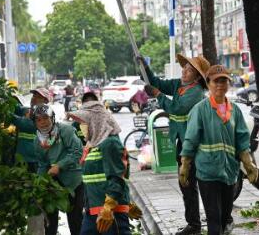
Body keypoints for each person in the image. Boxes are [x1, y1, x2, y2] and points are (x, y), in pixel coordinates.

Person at [180, 65, 258, 235]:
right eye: (216, 81)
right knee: (214, 219)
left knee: (224, 218)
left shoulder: (235, 110)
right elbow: (190, 140)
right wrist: (185, 165)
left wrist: (249, 164)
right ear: (208, 84)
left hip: (229, 172)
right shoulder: (200, 110)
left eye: (224, 81)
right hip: (207, 172)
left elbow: (242, 140)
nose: (220, 85)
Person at [137, 54, 209, 235]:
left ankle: (199, 224)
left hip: (193, 144)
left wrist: (158, 95)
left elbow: (176, 108)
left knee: (191, 183)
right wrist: (145, 68)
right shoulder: (179, 85)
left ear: (198, 77)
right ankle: (193, 223)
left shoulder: (196, 92)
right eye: (184, 68)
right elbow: (158, 83)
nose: (184, 71)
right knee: (185, 184)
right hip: (182, 141)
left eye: (190, 70)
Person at [68, 100, 140, 235]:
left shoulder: (109, 143)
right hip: (94, 211)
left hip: (110, 214)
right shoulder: (93, 145)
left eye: (84, 122)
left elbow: (117, 177)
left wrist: (109, 206)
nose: (81, 127)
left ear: (96, 122)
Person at [32, 104, 84, 235]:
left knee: (75, 220)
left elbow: (77, 152)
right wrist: (39, 182)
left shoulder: (66, 131)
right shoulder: (37, 141)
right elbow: (42, 163)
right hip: (52, 183)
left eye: (45, 118)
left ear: (52, 118)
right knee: (49, 221)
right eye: (38, 120)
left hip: (73, 181)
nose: (42, 122)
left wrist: (59, 165)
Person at [11, 87, 51, 235]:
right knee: (25, 198)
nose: (34, 98)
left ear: (45, 101)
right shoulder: (29, 111)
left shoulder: (44, 115)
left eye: (38, 96)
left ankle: (37, 232)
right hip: (23, 163)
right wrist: (5, 99)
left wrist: (10, 115)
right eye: (33, 95)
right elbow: (17, 108)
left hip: (37, 164)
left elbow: (23, 123)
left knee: (36, 201)